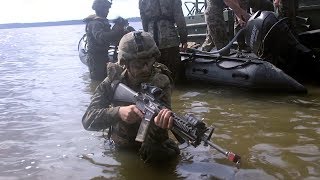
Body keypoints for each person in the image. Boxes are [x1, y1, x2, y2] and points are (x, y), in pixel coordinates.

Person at [82, 31, 180, 163]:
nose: (145, 69)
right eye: (138, 65)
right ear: (125, 64)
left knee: (162, 156)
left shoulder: (161, 81)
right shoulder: (112, 82)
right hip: (122, 144)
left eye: (149, 62)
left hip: (152, 144)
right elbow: (88, 120)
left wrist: (161, 124)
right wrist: (118, 112)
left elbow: (162, 125)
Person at [139, 0, 188, 82]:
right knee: (174, 72)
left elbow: (144, 21)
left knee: (156, 72)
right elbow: (179, 18)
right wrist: (184, 39)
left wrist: (147, 40)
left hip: (152, 40)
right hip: (169, 39)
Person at [83, 0, 125, 81]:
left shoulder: (102, 22)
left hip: (103, 55)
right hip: (95, 58)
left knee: (106, 77)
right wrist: (115, 32)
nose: (108, 11)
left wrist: (119, 30)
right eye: (106, 9)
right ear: (100, 9)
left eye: (108, 9)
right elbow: (101, 37)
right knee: (98, 80)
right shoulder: (95, 23)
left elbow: (111, 39)